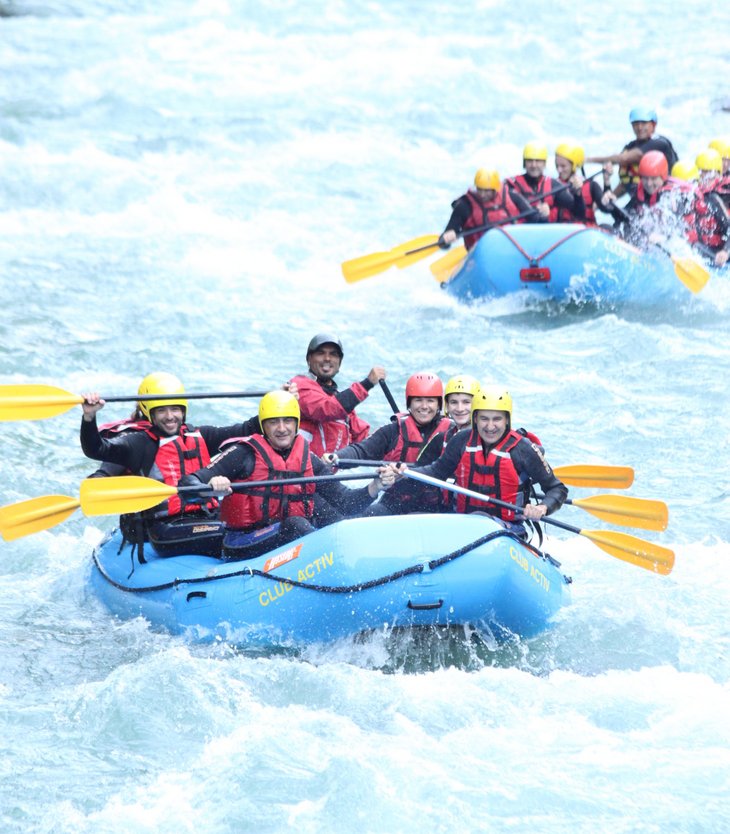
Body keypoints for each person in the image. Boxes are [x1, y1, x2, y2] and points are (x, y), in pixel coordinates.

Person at [180, 391, 396, 560]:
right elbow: (188, 484)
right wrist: (210, 485)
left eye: (288, 421)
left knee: (331, 519)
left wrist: (375, 486)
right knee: (295, 523)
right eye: (274, 422)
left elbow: (345, 502)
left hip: (288, 538)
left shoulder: (308, 459)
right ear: (264, 425)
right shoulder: (243, 453)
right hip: (243, 541)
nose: (282, 429)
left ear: (296, 424)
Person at [80, 372, 272, 556]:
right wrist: (89, 417)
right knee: (226, 533)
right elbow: (96, 449)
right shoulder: (138, 443)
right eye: (162, 410)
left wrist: (278, 403)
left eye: (175, 409)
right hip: (165, 528)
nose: (170, 416)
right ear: (150, 414)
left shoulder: (200, 435)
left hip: (206, 518)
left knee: (245, 524)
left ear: (184, 410)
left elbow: (246, 429)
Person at [402, 387, 567, 539]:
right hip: (461, 522)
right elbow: (436, 472)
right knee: (410, 521)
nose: (490, 426)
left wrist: (542, 508)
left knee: (481, 520)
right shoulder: (461, 440)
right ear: (475, 419)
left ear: (507, 420)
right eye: (484, 419)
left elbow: (557, 489)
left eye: (497, 419)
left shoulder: (524, 450)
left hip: (508, 529)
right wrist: (401, 472)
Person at [330, 372, 456, 515]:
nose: (424, 406)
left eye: (430, 401)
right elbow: (361, 451)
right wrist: (336, 457)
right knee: (365, 516)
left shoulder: (452, 433)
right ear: (409, 403)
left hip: (436, 508)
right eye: (418, 400)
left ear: (439, 404)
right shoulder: (393, 431)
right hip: (396, 504)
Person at [289, 333, 385, 457]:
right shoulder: (299, 386)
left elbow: (363, 437)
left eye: (333, 354)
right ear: (309, 359)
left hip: (327, 473)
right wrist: (367, 384)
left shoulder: (340, 402)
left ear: (339, 363)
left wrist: (390, 434)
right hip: (300, 472)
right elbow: (326, 409)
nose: (327, 358)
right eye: (321, 353)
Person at [586, 106, 679, 198]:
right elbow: (625, 183)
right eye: (635, 124)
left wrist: (587, 160)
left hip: (669, 194)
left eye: (644, 123)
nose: (639, 127)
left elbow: (624, 158)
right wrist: (608, 200)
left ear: (653, 125)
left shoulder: (660, 143)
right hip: (644, 197)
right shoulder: (629, 147)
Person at [438, 168, 538, 251]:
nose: (482, 194)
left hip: (514, 251)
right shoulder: (464, 205)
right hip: (481, 257)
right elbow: (444, 242)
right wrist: (446, 238)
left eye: (487, 191)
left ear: (495, 189)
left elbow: (537, 219)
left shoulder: (511, 196)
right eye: (479, 189)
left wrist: (542, 212)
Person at [621, 151, 696, 246]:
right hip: (652, 239)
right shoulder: (641, 191)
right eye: (645, 178)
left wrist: (663, 237)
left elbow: (678, 226)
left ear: (663, 177)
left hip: (683, 243)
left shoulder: (673, 195)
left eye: (653, 179)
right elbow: (626, 213)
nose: (648, 183)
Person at [553, 143, 626, 226]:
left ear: (574, 165)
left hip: (587, 230)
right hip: (563, 232)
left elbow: (606, 208)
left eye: (563, 166)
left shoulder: (591, 186)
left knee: (606, 227)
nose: (559, 170)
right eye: (557, 165)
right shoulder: (553, 185)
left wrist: (606, 181)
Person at [505, 142, 581, 222]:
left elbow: (578, 213)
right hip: (519, 232)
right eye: (530, 161)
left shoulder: (554, 186)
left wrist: (578, 194)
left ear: (544, 164)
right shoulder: (511, 185)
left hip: (548, 232)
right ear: (524, 163)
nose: (534, 165)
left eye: (538, 161)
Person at [692, 149, 730, 267]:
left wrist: (726, 252)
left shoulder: (715, 198)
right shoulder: (692, 194)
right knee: (694, 246)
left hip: (723, 252)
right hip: (706, 248)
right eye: (701, 172)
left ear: (719, 174)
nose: (705, 176)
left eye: (709, 172)